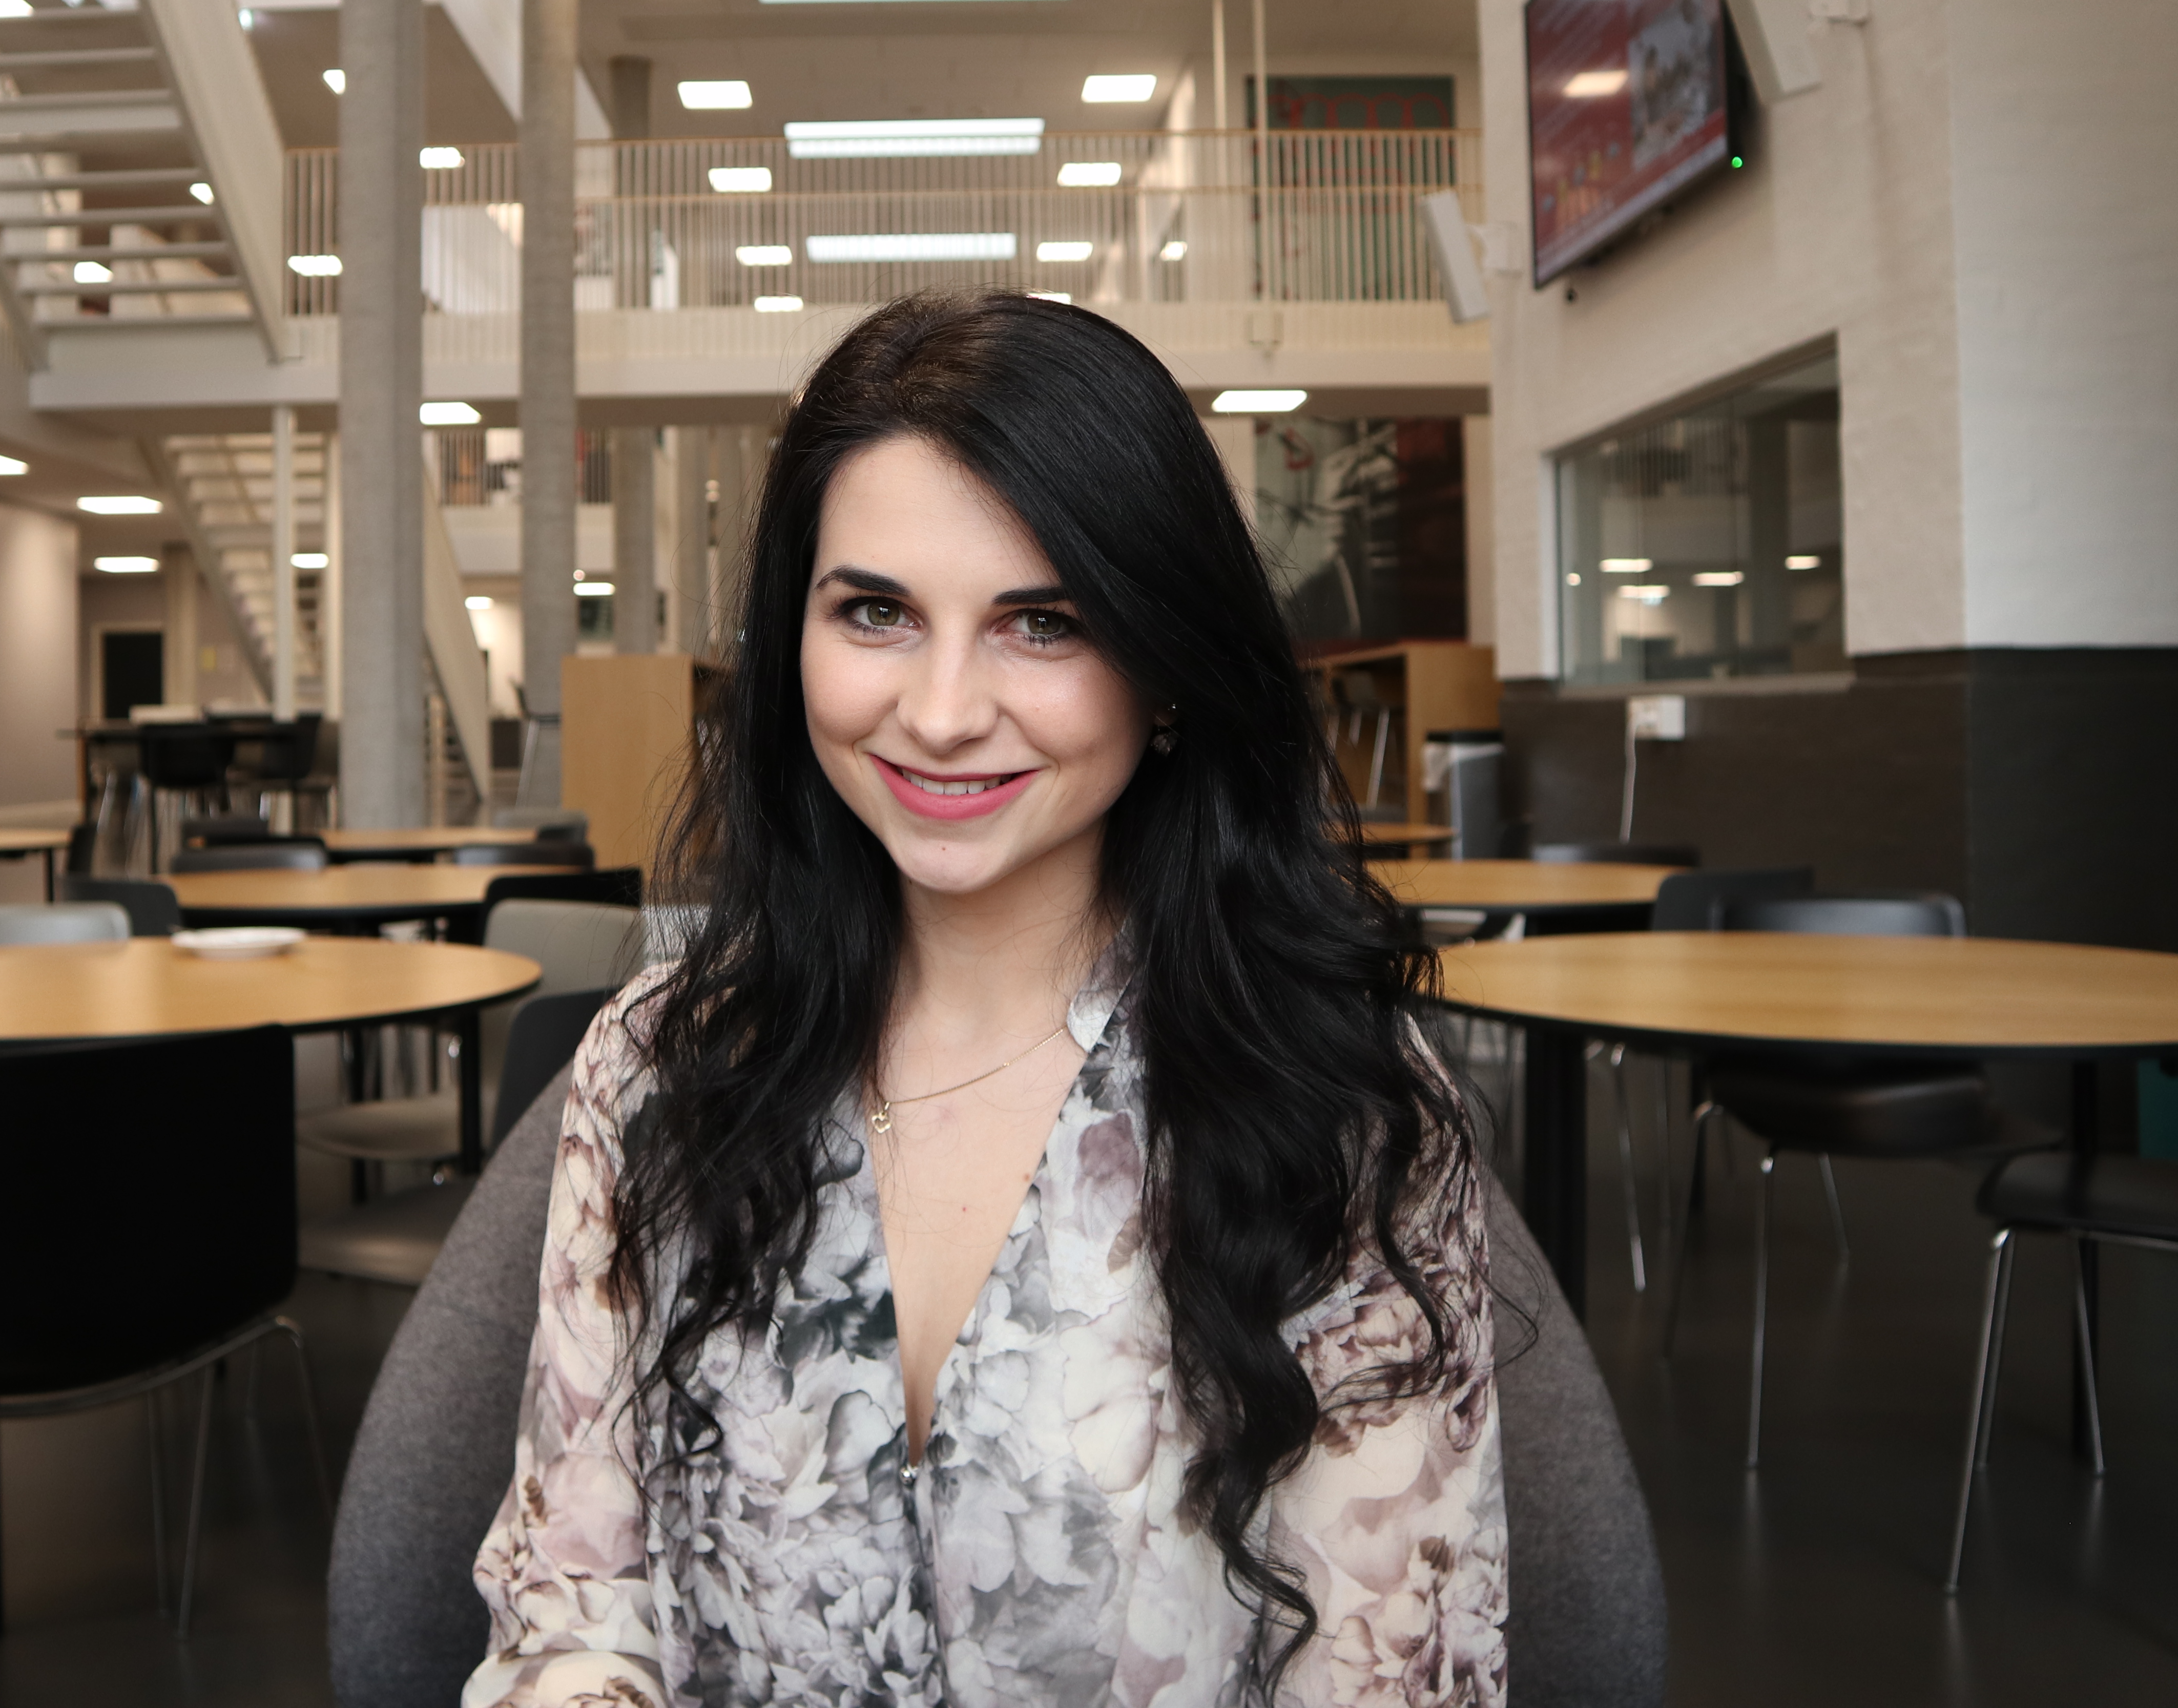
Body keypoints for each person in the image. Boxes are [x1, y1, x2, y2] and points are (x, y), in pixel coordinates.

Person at [467, 293, 1503, 1705]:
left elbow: (1387, 1678)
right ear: (793, 645)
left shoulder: (1332, 1106)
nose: (945, 711)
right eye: (877, 612)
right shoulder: (662, 1064)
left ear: (1169, 667)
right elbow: (575, 1616)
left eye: (1043, 622)